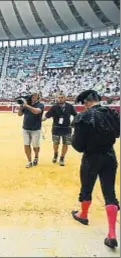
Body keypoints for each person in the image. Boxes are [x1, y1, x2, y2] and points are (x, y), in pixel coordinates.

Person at [71, 90, 120, 249]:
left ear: (86, 102)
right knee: (109, 192)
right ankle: (112, 233)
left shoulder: (83, 117)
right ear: (99, 100)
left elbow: (78, 146)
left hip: (91, 157)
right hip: (109, 156)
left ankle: (83, 215)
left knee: (87, 188)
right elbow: (117, 134)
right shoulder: (113, 113)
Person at [42, 93, 77, 166]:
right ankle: (55, 154)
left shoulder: (70, 106)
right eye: (59, 98)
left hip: (67, 129)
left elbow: (75, 115)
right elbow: (46, 116)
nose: (60, 99)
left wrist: (73, 123)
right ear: (57, 98)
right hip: (56, 129)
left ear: (65, 98)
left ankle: (62, 158)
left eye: (62, 97)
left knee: (66, 144)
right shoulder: (54, 107)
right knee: (55, 144)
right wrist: (38, 120)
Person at [18, 93, 44, 168]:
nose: (33, 98)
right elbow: (19, 114)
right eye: (32, 96)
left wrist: (26, 105)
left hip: (36, 129)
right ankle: (29, 161)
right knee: (26, 145)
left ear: (38, 98)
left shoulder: (40, 105)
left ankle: (36, 157)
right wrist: (21, 106)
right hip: (25, 128)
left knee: (35, 146)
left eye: (35, 96)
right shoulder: (26, 104)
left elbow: (37, 111)